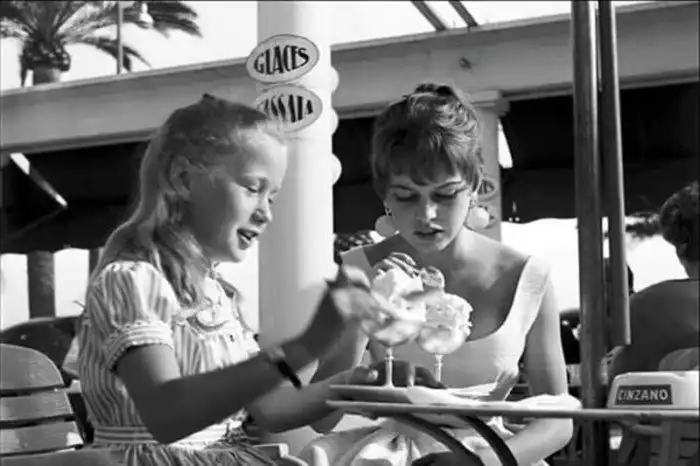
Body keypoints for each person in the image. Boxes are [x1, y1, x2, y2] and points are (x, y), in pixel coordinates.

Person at [75, 94, 437, 466]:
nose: (266, 213)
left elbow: (272, 409)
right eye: (252, 188)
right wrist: (306, 345)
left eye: (272, 197)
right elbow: (167, 415)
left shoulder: (217, 294)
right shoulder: (131, 281)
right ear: (184, 179)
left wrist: (360, 383)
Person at [306, 83, 573, 466]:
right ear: (384, 194)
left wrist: (478, 463)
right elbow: (322, 419)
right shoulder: (359, 270)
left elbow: (558, 421)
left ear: (474, 186)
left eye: (445, 195)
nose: (427, 215)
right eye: (406, 196)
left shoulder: (528, 277)